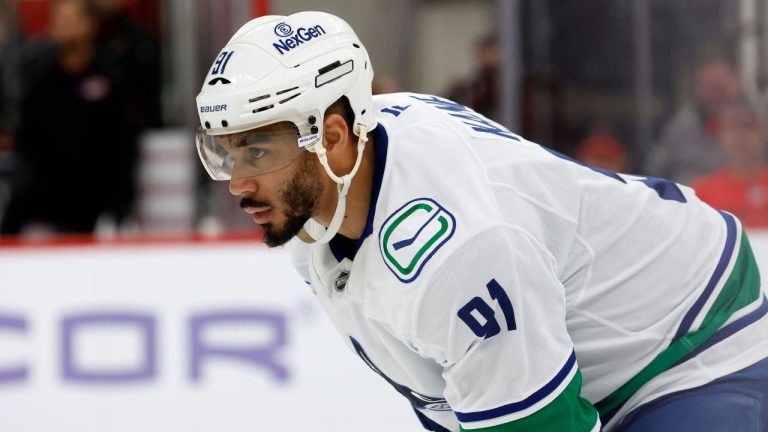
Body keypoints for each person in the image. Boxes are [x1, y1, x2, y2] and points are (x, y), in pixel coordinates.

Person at [195, 12, 768, 431]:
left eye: (258, 152)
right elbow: (453, 395)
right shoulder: (321, 201)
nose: (237, 184)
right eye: (226, 153)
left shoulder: (458, 252)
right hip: (596, 342)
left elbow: (538, 427)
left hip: (692, 338)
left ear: (333, 137)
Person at [1, 0, 135, 235]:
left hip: (99, 200)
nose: (67, 28)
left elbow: (124, 147)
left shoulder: (111, 80)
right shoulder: (39, 81)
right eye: (61, 21)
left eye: (73, 20)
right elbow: (27, 142)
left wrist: (118, 207)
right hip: (46, 200)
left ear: (91, 24)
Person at [649, 54, 743, 184]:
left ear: (737, 83)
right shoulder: (680, 127)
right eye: (710, 88)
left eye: (721, 87)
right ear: (698, 88)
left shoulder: (758, 123)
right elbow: (654, 171)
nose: (717, 95)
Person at [692, 100, 768, 228]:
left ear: (764, 132)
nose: (740, 136)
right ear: (720, 135)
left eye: (748, 127)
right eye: (732, 127)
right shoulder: (702, 193)